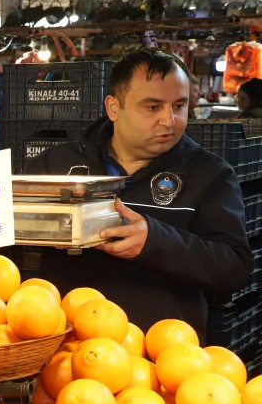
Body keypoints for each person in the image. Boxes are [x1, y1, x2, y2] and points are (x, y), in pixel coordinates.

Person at [22, 47, 252, 340]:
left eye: (179, 106)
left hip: (160, 359)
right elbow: (5, 239)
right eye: (153, 107)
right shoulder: (55, 165)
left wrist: (155, 241)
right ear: (114, 107)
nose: (169, 121)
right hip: (63, 349)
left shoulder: (210, 174)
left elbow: (234, 268)